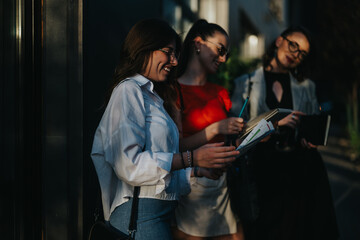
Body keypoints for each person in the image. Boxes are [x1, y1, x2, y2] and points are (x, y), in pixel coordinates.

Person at [91, 18, 240, 240]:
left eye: (176, 54)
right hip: (139, 217)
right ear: (144, 48)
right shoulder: (128, 91)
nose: (174, 61)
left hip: (156, 216)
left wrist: (198, 170)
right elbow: (129, 164)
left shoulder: (154, 97)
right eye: (168, 52)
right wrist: (192, 159)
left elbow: (161, 169)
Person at [231, 26, 339, 240]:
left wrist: (311, 137)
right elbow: (238, 136)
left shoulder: (306, 86)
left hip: (300, 171)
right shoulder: (246, 83)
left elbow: (309, 122)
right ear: (279, 40)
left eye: (302, 53)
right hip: (262, 172)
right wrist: (274, 124)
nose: (295, 54)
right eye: (293, 45)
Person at [173, 19, 245, 240]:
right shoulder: (174, 90)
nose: (223, 59)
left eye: (226, 54)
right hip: (192, 188)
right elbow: (175, 147)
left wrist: (253, 135)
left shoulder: (220, 92)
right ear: (198, 43)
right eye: (220, 50)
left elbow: (229, 142)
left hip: (224, 186)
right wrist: (215, 128)